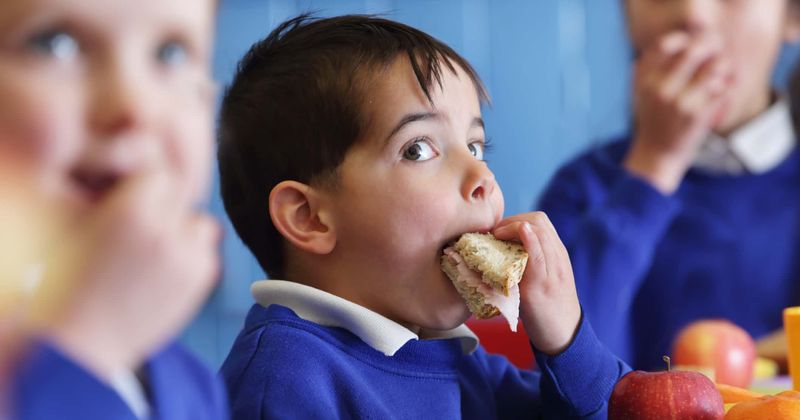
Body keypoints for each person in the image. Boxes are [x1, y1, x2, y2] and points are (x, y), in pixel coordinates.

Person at [217, 14, 630, 419]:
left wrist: (566, 341)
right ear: (309, 218)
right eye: (418, 149)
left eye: (475, 147)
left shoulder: (458, 360)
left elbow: (621, 411)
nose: (482, 176)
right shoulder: (281, 382)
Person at [537, 0, 800, 370]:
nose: (693, 13)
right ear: (628, 17)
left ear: (791, 17)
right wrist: (654, 166)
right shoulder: (584, 190)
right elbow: (566, 381)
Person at [0, 0, 228, 418]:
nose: (133, 107)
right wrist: (88, 345)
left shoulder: (190, 380)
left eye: (170, 53)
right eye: (55, 44)